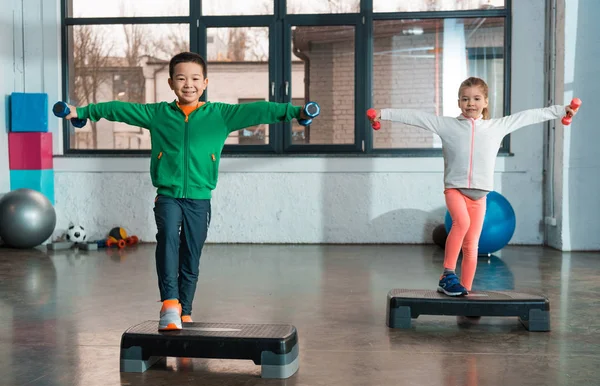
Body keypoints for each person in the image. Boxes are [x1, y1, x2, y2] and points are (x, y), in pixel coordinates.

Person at [62, 52, 316, 330]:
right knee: (169, 238)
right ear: (171, 83)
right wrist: (83, 113)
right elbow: (120, 109)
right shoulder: (158, 114)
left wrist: (297, 113)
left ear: (205, 82)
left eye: (195, 78)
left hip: (199, 198)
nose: (188, 84)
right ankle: (170, 303)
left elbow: (260, 109)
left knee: (191, 254)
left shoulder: (220, 115)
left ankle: (186, 310)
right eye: (181, 78)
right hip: (168, 195)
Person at [367, 77, 579, 296]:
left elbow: (528, 116)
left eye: (476, 98)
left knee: (472, 246)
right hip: (455, 189)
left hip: (480, 195)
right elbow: (416, 117)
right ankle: (447, 275)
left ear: (486, 101)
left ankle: (465, 292)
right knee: (462, 223)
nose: (471, 103)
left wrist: (561, 110)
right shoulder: (447, 125)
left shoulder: (497, 127)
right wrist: (383, 113)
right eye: (465, 99)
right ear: (459, 103)